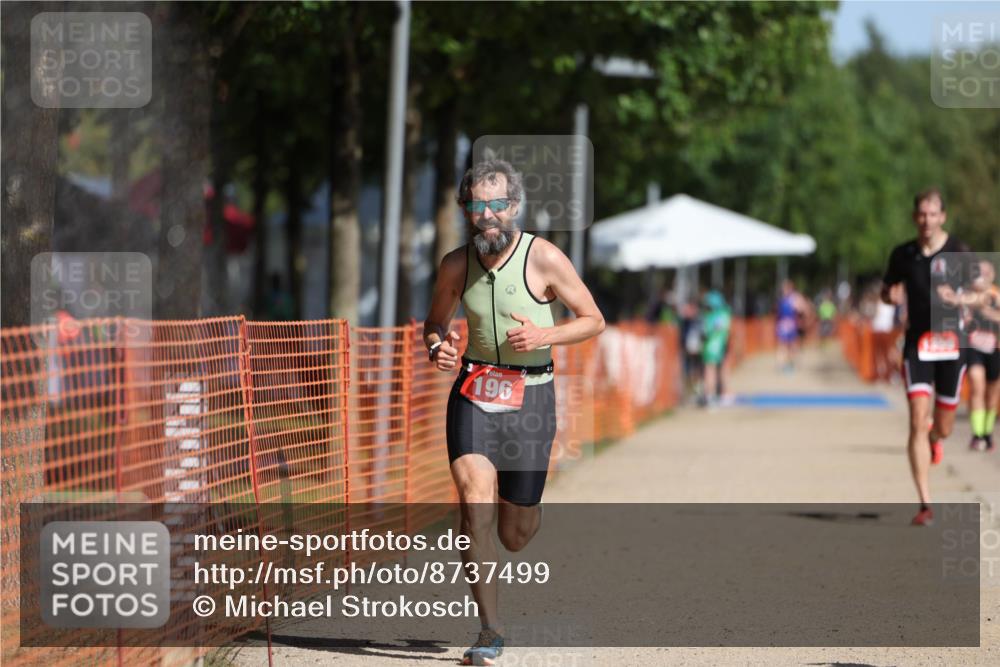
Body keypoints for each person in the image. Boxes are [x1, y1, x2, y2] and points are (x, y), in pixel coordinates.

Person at [422, 159, 605, 665]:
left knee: (515, 534)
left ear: (515, 206)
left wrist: (546, 333)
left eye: (497, 204)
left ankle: (524, 505)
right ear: (466, 210)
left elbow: (593, 319)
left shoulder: (543, 258)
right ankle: (490, 631)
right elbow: (434, 322)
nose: (487, 215)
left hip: (532, 398)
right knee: (473, 503)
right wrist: (437, 347)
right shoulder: (456, 265)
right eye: (477, 206)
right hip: (474, 392)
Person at [881, 188, 973, 526]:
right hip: (917, 345)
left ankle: (936, 438)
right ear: (914, 217)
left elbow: (981, 294)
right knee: (917, 420)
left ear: (942, 217)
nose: (926, 220)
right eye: (921, 214)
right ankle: (925, 504)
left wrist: (962, 300)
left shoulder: (959, 251)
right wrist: (890, 297)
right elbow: (888, 290)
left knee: (943, 426)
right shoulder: (902, 254)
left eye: (933, 214)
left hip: (951, 345)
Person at [966, 261, 1000, 452]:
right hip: (974, 347)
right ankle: (977, 434)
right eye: (980, 271)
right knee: (976, 386)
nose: (983, 274)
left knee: (992, 393)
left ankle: (987, 433)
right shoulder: (968, 295)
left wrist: (989, 313)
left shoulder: (997, 294)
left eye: (987, 271)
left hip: (995, 347)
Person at [700, 290, 731, 407]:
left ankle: (710, 395)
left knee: (710, 371)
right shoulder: (725, 314)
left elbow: (705, 333)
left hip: (710, 347)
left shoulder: (709, 317)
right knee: (723, 370)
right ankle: (724, 393)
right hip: (722, 346)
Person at [775, 279, 805, 372]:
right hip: (785, 325)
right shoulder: (783, 300)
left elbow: (801, 309)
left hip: (790, 324)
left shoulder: (793, 299)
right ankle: (784, 365)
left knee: (791, 346)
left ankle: (789, 365)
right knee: (784, 346)